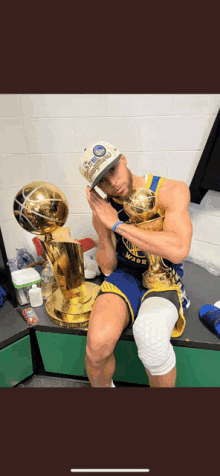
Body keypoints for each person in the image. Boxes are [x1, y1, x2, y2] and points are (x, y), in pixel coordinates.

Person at [79, 141, 193, 387]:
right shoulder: (107, 208)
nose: (113, 183)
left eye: (112, 170)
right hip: (126, 274)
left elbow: (178, 250)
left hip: (164, 273)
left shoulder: (171, 190)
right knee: (96, 348)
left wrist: (119, 225)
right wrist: (103, 225)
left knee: (150, 336)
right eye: (103, 182)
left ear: (123, 160)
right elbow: (107, 268)